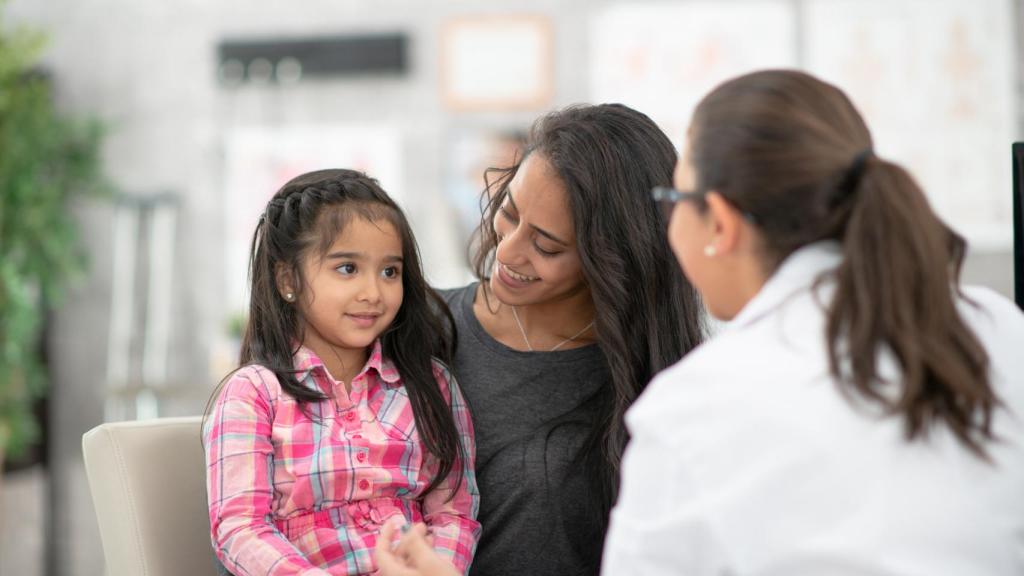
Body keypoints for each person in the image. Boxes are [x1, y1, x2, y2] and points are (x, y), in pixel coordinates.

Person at [377, 69, 1024, 575]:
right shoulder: (998, 328)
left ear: (721, 224)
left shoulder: (693, 400)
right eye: (510, 212)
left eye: (676, 200)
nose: (510, 249)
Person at [437, 104, 706, 576]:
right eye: (508, 212)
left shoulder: (655, 382)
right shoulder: (419, 325)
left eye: (547, 245)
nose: (508, 250)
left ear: (612, 259)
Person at [204, 169, 479, 576]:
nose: (373, 292)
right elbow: (240, 529)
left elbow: (455, 513)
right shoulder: (253, 394)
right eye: (348, 268)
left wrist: (435, 570)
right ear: (287, 279)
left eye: (390, 271)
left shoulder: (431, 385)